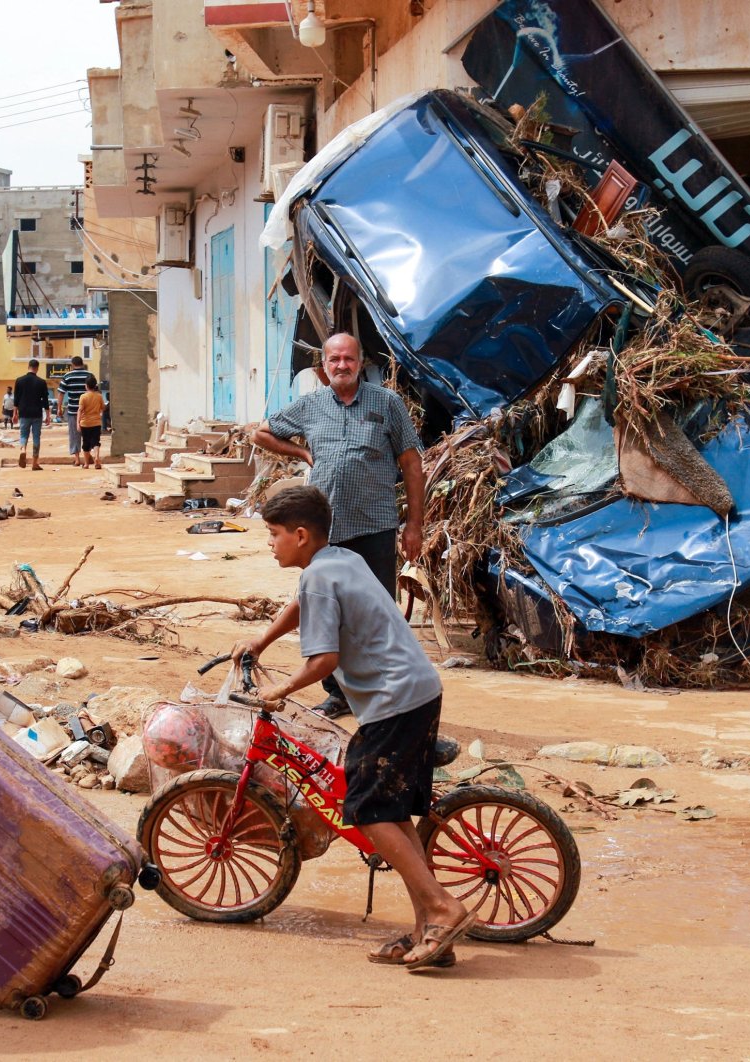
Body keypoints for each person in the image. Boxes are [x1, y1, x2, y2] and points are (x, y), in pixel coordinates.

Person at [235, 485, 470, 970]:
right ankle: (428, 927)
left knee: (363, 810)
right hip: (417, 689)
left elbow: (324, 660)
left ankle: (445, 908)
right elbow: (303, 604)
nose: (270, 544)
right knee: (393, 813)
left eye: (274, 535)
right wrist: (262, 640)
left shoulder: (320, 578)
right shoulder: (339, 560)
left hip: (394, 701)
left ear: (300, 536)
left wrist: (278, 692)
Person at [251, 333, 425, 717]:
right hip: (323, 533)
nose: (342, 365)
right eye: (334, 360)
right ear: (323, 367)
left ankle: (386, 690)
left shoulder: (387, 403)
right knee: (324, 611)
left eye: (349, 358)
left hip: (375, 525)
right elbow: (260, 432)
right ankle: (337, 692)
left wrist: (415, 525)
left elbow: (412, 465)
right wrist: (301, 451)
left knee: (376, 610)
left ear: (361, 363)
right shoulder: (310, 406)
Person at [12, 359, 51, 469]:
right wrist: (48, 415)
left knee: (24, 435)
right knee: (36, 437)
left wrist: (15, 413)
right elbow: (45, 400)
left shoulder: (19, 380)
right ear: (37, 368)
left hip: (24, 412)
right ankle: (35, 463)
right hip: (37, 413)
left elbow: (16, 399)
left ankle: (23, 449)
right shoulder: (41, 382)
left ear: (28, 366)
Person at [58, 355, 93, 466]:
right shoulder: (89, 375)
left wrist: (59, 408)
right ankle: (88, 456)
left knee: (74, 435)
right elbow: (95, 392)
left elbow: (61, 393)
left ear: (72, 365)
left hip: (73, 410)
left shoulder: (68, 376)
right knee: (87, 434)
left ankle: (77, 459)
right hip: (88, 411)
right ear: (82, 363)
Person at [77, 376, 106, 470]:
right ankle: (96, 457)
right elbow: (103, 408)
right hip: (96, 422)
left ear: (86, 386)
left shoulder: (83, 397)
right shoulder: (99, 396)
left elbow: (80, 410)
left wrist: (78, 423)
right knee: (96, 442)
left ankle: (86, 464)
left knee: (86, 443)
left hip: (85, 423)